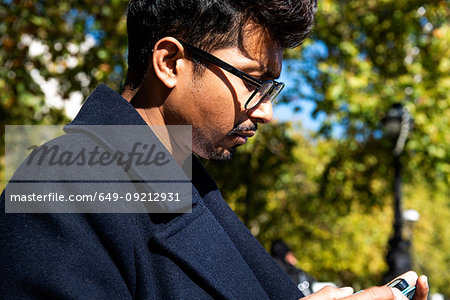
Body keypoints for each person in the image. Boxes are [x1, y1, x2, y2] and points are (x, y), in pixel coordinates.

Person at [0, 0, 429, 299]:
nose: (266, 113)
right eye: (252, 83)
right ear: (169, 63)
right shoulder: (55, 189)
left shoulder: (189, 188)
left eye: (271, 89)